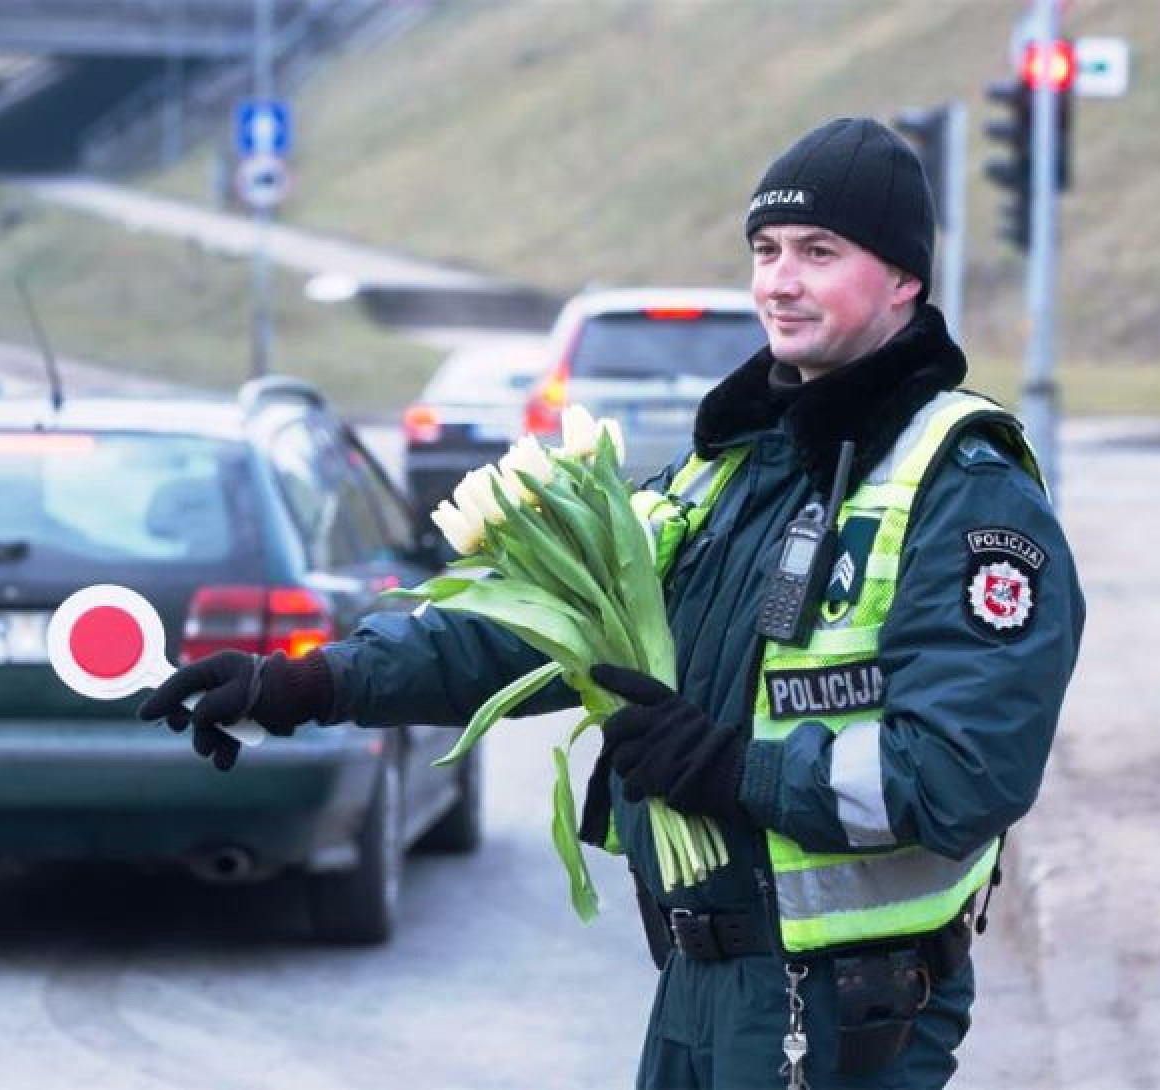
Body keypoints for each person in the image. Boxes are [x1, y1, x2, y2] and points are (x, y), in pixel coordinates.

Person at [138, 117, 1085, 1090]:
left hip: (841, 1011)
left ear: (903, 280)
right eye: (765, 250)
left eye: (818, 252)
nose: (779, 282)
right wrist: (311, 683)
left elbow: (964, 771)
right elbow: (531, 625)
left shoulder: (963, 492)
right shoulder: (726, 471)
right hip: (700, 986)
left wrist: (735, 770)